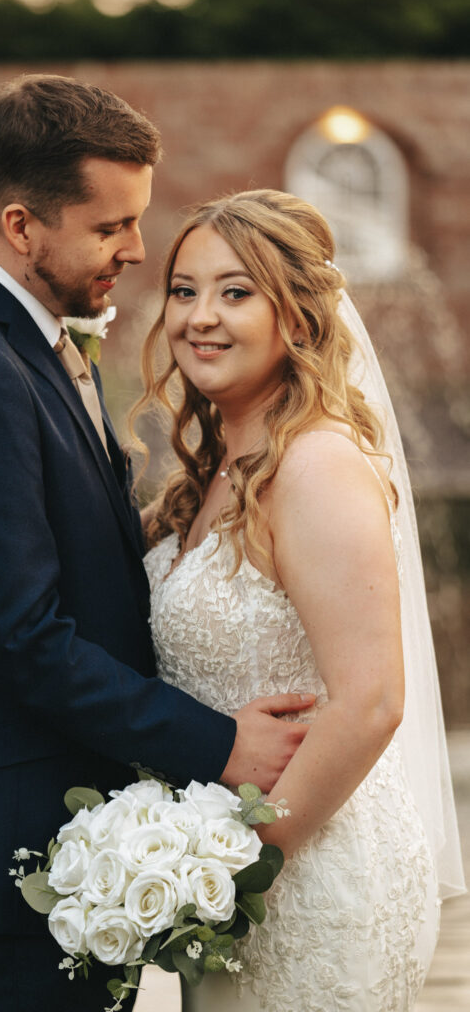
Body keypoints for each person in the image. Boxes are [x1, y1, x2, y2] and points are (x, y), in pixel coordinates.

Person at [0, 78, 315, 1011]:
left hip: (81, 845)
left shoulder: (27, 340)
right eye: (111, 226)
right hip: (19, 850)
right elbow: (24, 637)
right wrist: (219, 745)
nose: (138, 249)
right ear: (23, 223)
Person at [138, 189, 466, 1011]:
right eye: (184, 290)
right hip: (240, 872)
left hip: (309, 874)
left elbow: (372, 702)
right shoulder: (210, 472)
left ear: (298, 318)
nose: (199, 317)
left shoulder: (316, 465)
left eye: (235, 291)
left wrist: (236, 864)